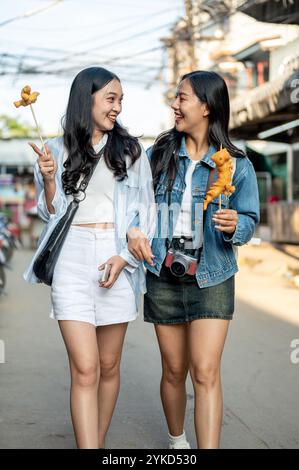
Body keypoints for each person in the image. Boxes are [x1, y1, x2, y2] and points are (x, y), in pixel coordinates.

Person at [24, 67, 155, 449]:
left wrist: (124, 260)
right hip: (72, 259)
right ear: (88, 98)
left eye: (120, 100)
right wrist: (49, 179)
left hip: (114, 259)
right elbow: (50, 215)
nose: (117, 107)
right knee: (85, 368)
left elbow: (145, 214)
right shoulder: (54, 148)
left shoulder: (130, 150)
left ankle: (97, 442)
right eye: (110, 98)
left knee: (109, 365)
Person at [128, 70, 260, 449]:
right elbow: (136, 206)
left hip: (212, 275)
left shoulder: (236, 164)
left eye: (182, 98)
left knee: (205, 371)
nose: (175, 104)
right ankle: (177, 443)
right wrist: (133, 231)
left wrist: (237, 223)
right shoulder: (158, 156)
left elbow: (250, 220)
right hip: (163, 273)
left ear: (207, 106)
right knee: (173, 370)